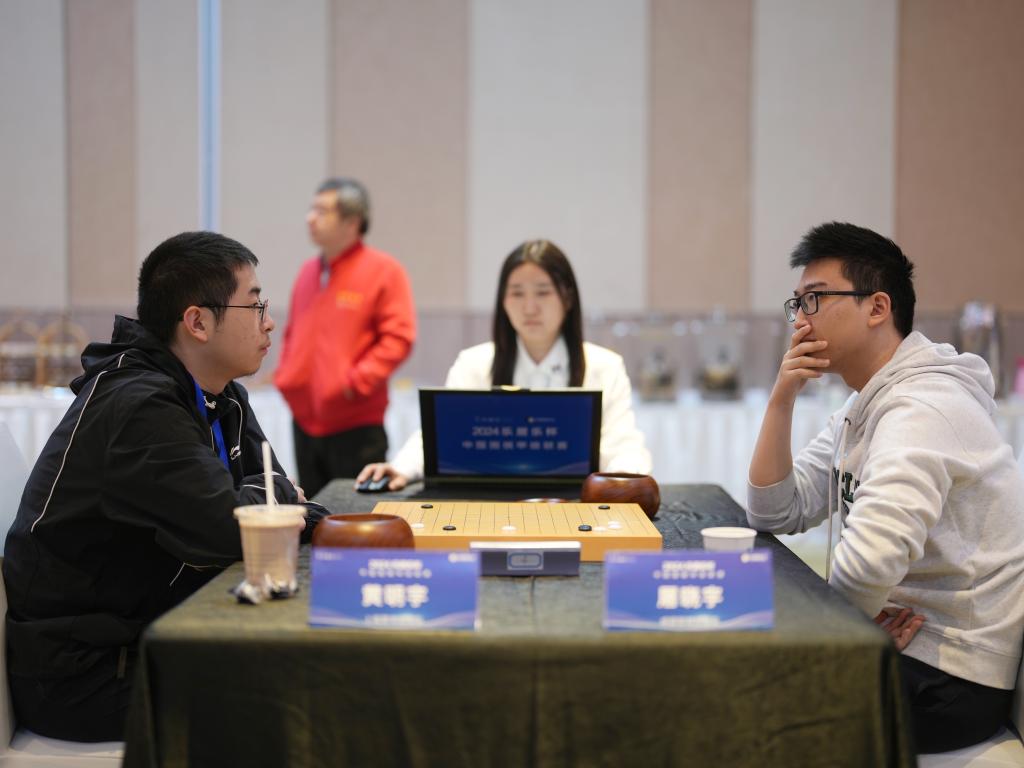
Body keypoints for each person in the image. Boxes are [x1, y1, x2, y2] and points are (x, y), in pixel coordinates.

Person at [2, 231, 326, 742]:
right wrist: (283, 500)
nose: (269, 321)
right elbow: (231, 528)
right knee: (302, 693)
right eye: (255, 305)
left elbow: (274, 499)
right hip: (88, 674)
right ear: (197, 322)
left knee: (311, 665)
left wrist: (301, 512)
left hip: (157, 630)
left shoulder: (224, 395)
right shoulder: (137, 404)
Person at [746, 221, 1024, 753]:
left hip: (948, 675)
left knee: (741, 693)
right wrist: (782, 398)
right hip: (906, 649)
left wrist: (840, 631)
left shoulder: (922, 407)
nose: (800, 318)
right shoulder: (867, 403)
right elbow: (775, 511)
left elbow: (868, 565)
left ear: (877, 307)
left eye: (815, 299)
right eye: (797, 303)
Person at [357, 239, 651, 490]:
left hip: (576, 507)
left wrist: (626, 479)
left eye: (543, 292)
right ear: (503, 301)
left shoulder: (604, 366)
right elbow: (441, 438)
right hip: (487, 505)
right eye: (517, 293)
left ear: (568, 297)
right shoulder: (474, 364)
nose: (529, 308)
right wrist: (402, 467)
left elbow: (623, 444)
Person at [275, 178, 416, 497]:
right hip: (304, 421)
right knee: (313, 513)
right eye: (312, 209)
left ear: (352, 222)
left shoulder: (383, 270)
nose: (310, 218)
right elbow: (292, 332)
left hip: (356, 424)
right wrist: (287, 376)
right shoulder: (308, 271)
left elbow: (399, 338)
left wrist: (354, 383)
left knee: (357, 514)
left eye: (322, 211)